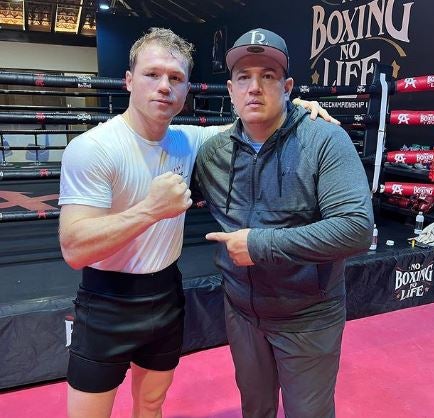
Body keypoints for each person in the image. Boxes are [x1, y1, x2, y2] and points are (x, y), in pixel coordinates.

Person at [58, 27, 335, 418]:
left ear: (187, 88)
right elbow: (73, 249)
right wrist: (150, 210)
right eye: (152, 74)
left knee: (151, 404)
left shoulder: (189, 140)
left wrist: (297, 107)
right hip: (106, 300)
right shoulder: (92, 148)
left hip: (166, 296)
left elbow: (253, 121)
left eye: (175, 78)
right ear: (128, 80)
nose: (164, 87)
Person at [194, 28, 374, 418]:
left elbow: (357, 227)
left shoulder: (325, 140)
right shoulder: (212, 153)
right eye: (244, 77)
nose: (254, 88)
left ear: (288, 85)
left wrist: (259, 245)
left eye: (268, 76)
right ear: (230, 88)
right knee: (255, 409)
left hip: (309, 317)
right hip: (241, 314)